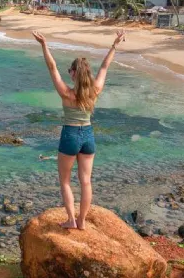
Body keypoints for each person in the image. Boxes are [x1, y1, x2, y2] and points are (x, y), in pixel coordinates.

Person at [32, 29, 126, 230]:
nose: (68, 73)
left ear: (74, 74)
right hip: (88, 136)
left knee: (65, 181)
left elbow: (52, 67)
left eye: (70, 71)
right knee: (86, 182)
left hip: (70, 135)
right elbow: (104, 66)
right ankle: (82, 221)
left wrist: (44, 45)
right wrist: (114, 45)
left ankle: (71, 220)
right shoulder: (95, 91)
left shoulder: (67, 93)